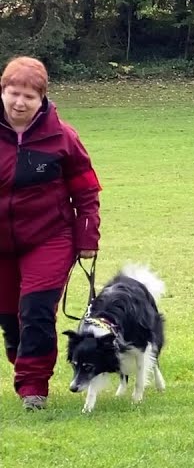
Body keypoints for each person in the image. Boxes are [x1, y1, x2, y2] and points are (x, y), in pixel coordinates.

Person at [0, 56, 102, 410]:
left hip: (49, 237)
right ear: (3, 91)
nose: (19, 103)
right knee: (10, 318)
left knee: (37, 311)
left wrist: (88, 237)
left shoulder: (62, 137)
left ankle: (33, 388)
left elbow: (86, 190)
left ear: (42, 99)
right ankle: (21, 356)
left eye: (29, 96)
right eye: (14, 93)